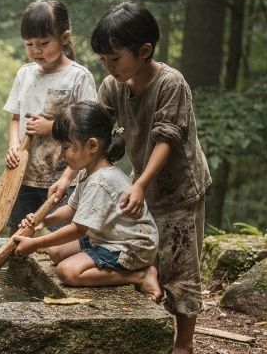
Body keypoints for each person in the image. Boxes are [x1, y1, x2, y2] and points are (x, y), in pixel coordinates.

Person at [88, 2, 211, 354]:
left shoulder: (170, 84)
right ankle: (150, 331)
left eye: (115, 59)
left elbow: (166, 138)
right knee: (145, 255)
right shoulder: (112, 85)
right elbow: (101, 134)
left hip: (177, 189)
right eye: (103, 60)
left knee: (180, 263)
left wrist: (139, 183)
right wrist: (78, 177)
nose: (108, 68)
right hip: (143, 187)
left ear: (144, 51)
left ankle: (185, 345)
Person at [14, 101, 161, 299]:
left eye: (66, 147)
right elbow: (71, 209)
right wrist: (44, 220)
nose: (62, 154)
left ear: (92, 145)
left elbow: (78, 228)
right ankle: (118, 266)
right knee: (56, 251)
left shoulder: (101, 181)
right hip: (107, 236)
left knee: (67, 272)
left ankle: (140, 275)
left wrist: (36, 243)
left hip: (130, 246)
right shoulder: (89, 172)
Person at [2, 0, 98, 230]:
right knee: (17, 237)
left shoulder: (78, 77)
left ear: (64, 38)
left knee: (60, 242)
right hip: (23, 178)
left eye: (44, 43)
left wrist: (52, 127)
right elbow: (16, 118)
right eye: (29, 44)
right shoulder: (24, 74)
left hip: (65, 179)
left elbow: (89, 128)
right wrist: (14, 146)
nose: (36, 50)